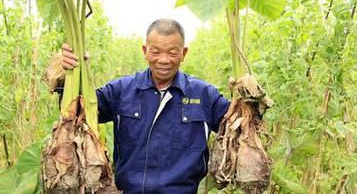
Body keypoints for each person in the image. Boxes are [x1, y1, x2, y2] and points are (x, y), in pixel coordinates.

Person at [61, 19, 230, 193]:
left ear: (183, 53)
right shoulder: (121, 90)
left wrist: (246, 98)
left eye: (172, 53)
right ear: (145, 51)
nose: (163, 60)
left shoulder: (204, 95)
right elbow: (78, 109)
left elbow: (237, 124)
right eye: (155, 52)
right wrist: (66, 75)